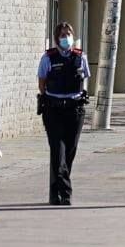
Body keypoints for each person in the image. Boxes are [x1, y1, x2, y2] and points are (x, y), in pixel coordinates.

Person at [37, 21, 89, 206]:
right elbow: (42, 82)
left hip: (74, 109)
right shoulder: (48, 58)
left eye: (68, 34)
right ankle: (65, 193)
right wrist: (50, 98)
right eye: (62, 35)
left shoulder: (80, 57)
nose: (66, 38)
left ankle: (56, 191)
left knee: (70, 152)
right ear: (56, 38)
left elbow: (84, 80)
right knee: (57, 152)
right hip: (54, 108)